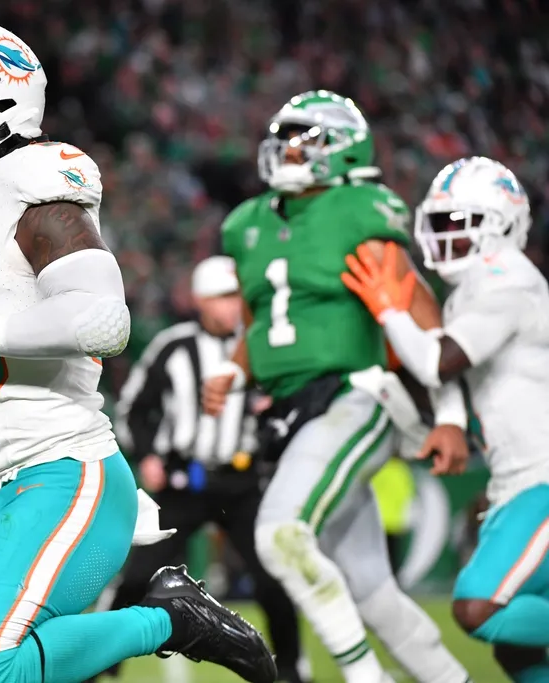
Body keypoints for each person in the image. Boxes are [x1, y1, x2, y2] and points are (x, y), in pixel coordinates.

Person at [0, 20, 276, 683]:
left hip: (66, 468)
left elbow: (102, 318)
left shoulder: (32, 182)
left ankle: (175, 618)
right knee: (15, 662)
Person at [204, 90, 470, 683]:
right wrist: (233, 371)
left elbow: (422, 311)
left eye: (306, 137)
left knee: (280, 535)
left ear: (346, 149)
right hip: (290, 413)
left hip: (355, 395)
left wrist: (450, 413)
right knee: (372, 591)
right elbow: (262, 323)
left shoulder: (360, 208)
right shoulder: (246, 223)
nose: (288, 148)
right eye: (285, 136)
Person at [342, 156, 549, 683]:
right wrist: (452, 420)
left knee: (481, 608)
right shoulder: (472, 291)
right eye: (438, 222)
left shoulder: (510, 278)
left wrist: (389, 309)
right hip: (516, 481)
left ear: (501, 225)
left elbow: (439, 361)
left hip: (541, 478)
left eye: (458, 223)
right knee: (521, 653)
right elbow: (449, 370)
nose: (443, 236)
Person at [88, 256, 311, 683]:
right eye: (223, 297)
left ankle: (291, 670)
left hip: (242, 482)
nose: (232, 307)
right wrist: (149, 455)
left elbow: (286, 408)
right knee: (135, 578)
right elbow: (136, 407)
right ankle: (99, 664)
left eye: (236, 297)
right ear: (201, 301)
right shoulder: (173, 346)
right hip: (181, 480)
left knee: (273, 578)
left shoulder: (259, 348)